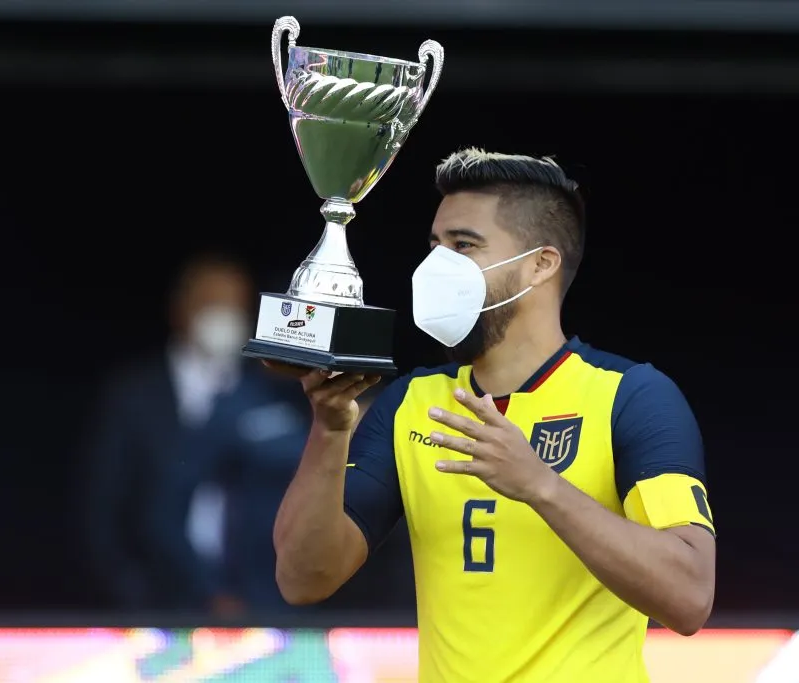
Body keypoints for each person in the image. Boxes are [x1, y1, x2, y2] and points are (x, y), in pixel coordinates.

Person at [271, 148, 716, 682]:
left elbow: (690, 596)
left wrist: (539, 485)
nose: (438, 265)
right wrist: (329, 428)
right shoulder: (414, 401)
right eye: (434, 245)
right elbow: (303, 579)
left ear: (541, 264)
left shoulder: (631, 395)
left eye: (463, 246)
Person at [82, 253, 310, 615]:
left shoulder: (273, 393)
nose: (223, 317)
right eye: (211, 304)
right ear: (180, 308)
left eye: (234, 306)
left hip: (263, 608)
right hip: (160, 607)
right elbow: (105, 509)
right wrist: (134, 599)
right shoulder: (133, 395)